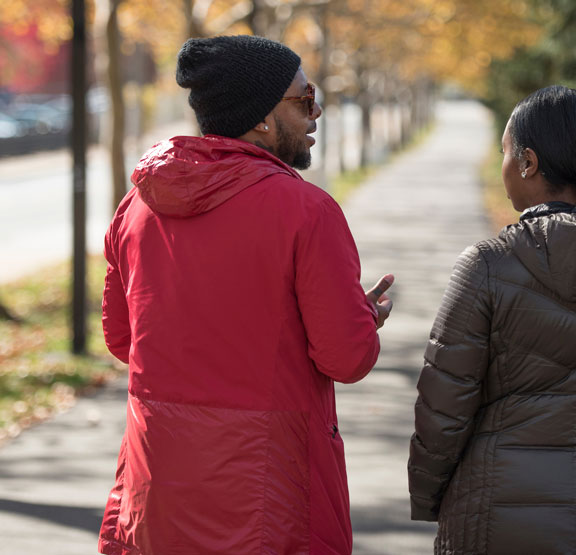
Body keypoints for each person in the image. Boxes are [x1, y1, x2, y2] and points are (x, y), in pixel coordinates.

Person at [98, 35, 393, 555]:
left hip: (158, 490)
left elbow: (124, 341)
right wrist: (359, 319)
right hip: (268, 496)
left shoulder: (136, 208)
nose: (315, 111)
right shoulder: (306, 211)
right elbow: (346, 358)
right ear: (260, 117)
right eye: (303, 100)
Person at [408, 85, 576, 554]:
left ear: (528, 162)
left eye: (504, 152)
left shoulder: (487, 266)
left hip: (497, 508)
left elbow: (444, 406)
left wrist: (431, 496)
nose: (502, 165)